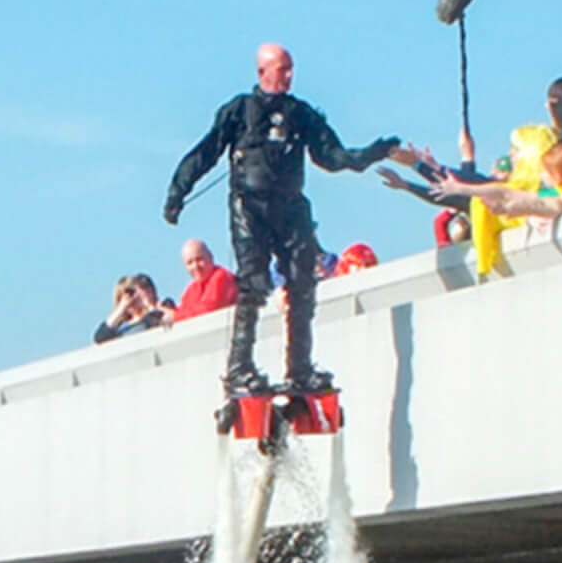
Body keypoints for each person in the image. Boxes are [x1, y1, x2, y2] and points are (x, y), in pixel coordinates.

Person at [163, 41, 400, 394]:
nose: (289, 75)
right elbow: (205, 152)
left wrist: (371, 153)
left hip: (290, 206)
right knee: (253, 283)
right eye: (282, 68)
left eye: (291, 68)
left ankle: (300, 369)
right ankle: (240, 368)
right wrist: (177, 193)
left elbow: (333, 157)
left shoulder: (302, 114)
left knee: (303, 282)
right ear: (263, 72)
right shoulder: (239, 110)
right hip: (249, 207)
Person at [168, 240, 237, 323]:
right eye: (190, 263)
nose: (195, 266)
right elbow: (183, 310)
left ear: (211, 257)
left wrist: (175, 316)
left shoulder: (222, 277)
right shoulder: (192, 289)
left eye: (199, 259)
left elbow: (209, 310)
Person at [93, 274, 167, 344]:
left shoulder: (155, 314)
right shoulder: (120, 327)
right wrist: (121, 308)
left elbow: (156, 322)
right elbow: (100, 338)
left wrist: (147, 303)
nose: (131, 300)